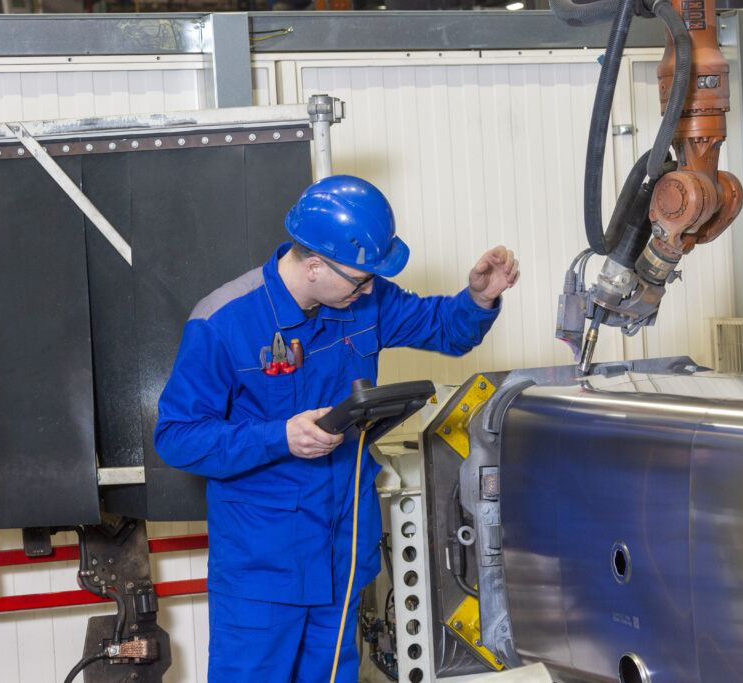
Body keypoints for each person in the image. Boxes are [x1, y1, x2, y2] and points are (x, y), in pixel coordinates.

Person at [153, 175, 519, 682]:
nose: (370, 289)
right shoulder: (222, 324)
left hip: (343, 560)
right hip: (262, 575)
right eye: (360, 279)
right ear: (314, 266)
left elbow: (445, 330)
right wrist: (279, 436)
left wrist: (478, 300)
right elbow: (176, 436)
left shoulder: (361, 300)